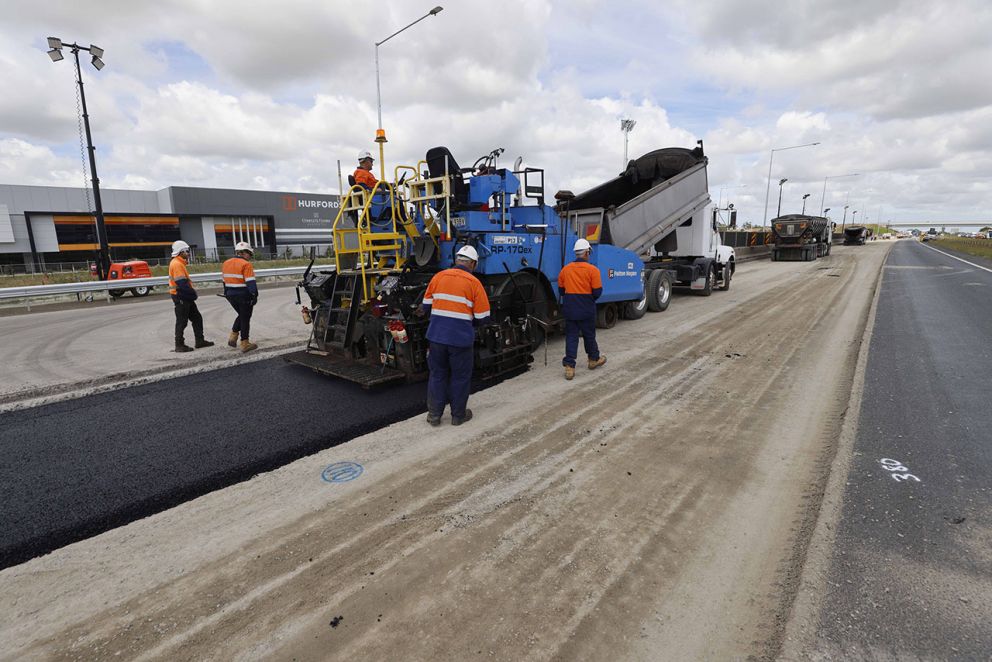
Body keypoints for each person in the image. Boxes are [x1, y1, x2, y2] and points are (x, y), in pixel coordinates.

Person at [421, 245, 491, 426]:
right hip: (460, 340)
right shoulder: (474, 283)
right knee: (460, 376)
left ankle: (434, 415)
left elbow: (426, 306)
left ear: (456, 260)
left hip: (436, 337)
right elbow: (483, 317)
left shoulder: (438, 277)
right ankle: (458, 416)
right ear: (473, 264)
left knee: (437, 374)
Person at [558, 238, 606, 380]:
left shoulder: (565, 270)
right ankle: (593, 360)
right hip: (586, 309)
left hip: (570, 309)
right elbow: (597, 292)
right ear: (586, 252)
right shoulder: (593, 270)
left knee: (571, 336)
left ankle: (569, 367)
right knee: (589, 336)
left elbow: (561, 291)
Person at [168, 240, 214, 352]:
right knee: (182, 321)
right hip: (181, 296)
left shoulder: (178, 263)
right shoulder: (177, 264)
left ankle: (200, 341)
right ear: (181, 251)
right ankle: (179, 345)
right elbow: (182, 283)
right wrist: (192, 294)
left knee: (197, 318)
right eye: (187, 251)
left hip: (184, 296)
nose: (188, 253)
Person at [222, 241, 259, 353]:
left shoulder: (226, 263)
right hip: (243, 295)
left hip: (230, 295)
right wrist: (254, 295)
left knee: (242, 315)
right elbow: (250, 282)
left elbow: (224, 281)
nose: (250, 257)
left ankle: (233, 336)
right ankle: (245, 343)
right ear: (244, 253)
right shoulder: (246, 264)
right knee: (245, 318)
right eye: (249, 254)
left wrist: (227, 293)